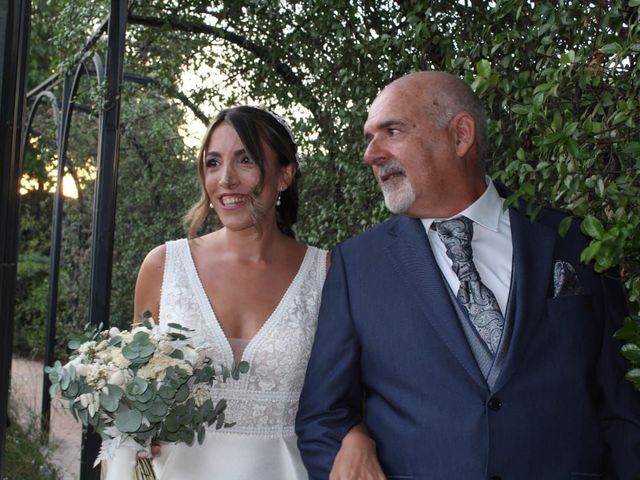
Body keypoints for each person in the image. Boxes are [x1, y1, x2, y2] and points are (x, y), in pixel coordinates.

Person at [295, 71, 640, 479]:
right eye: (369, 138)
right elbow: (323, 418)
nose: (371, 154)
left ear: (460, 135)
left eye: (391, 131)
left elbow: (622, 408)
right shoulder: (356, 266)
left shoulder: (574, 242)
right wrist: (352, 439)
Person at [107, 105, 335, 479]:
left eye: (246, 160)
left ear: (285, 175)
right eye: (213, 163)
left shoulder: (326, 273)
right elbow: (128, 393)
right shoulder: (164, 266)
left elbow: (346, 397)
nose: (226, 179)